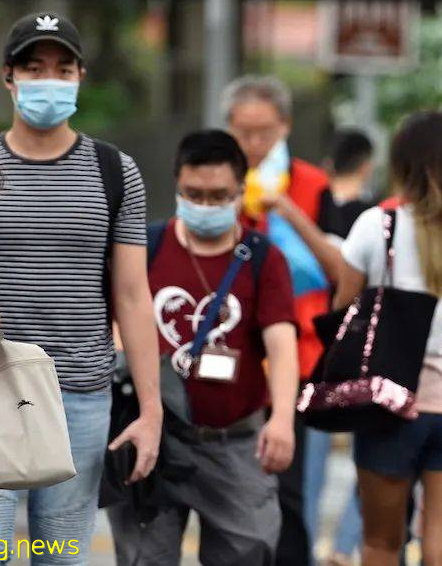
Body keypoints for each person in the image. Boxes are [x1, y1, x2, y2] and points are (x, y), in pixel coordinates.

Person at [0, 12, 162, 565]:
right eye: (34, 67)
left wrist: (151, 409)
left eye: (62, 69)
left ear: (80, 77)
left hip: (80, 394)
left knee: (62, 556)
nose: (49, 79)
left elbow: (133, 297)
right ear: (8, 76)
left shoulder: (115, 170)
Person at [108, 130, 297, 564]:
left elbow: (282, 344)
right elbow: (116, 325)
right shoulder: (146, 247)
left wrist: (282, 420)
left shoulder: (264, 258)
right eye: (194, 194)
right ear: (177, 185)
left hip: (233, 441)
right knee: (143, 557)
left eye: (218, 196)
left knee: (248, 550)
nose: (206, 205)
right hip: (154, 436)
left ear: (240, 191)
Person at [334, 110, 442, 566]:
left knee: (381, 544)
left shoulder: (376, 225)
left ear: (401, 165)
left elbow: (343, 310)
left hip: (387, 404)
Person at [224, 75, 340, 566]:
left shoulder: (312, 184)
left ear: (285, 126)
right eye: (243, 131)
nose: (253, 143)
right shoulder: (215, 184)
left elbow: (340, 271)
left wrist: (288, 212)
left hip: (300, 357)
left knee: (290, 490)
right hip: (230, 356)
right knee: (230, 489)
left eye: (264, 132)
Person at [305, 128, 374, 565]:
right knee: (369, 454)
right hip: (365, 348)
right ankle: (346, 545)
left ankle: (310, 547)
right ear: (366, 166)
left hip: (313, 346)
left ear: (328, 164)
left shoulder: (311, 209)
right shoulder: (375, 215)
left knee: (310, 463)